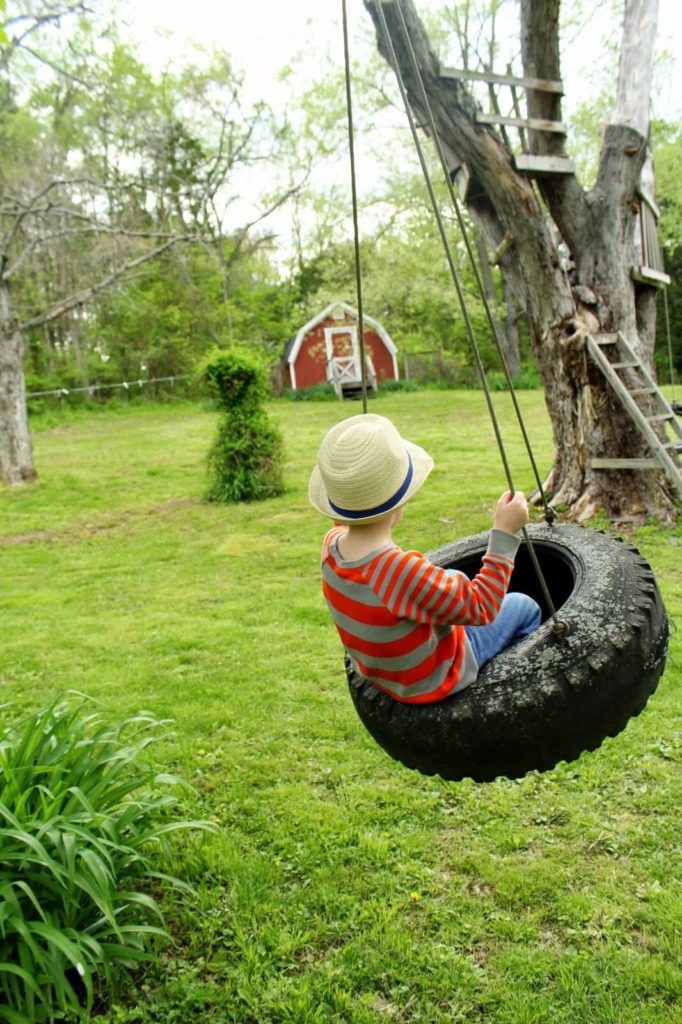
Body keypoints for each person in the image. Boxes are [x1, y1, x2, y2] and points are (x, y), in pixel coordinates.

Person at [309, 413, 541, 704]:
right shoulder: (397, 572)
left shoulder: (331, 546)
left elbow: (342, 527)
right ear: (402, 499)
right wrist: (505, 531)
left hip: (385, 672)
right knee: (524, 606)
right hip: (435, 676)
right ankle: (513, 691)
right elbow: (482, 606)